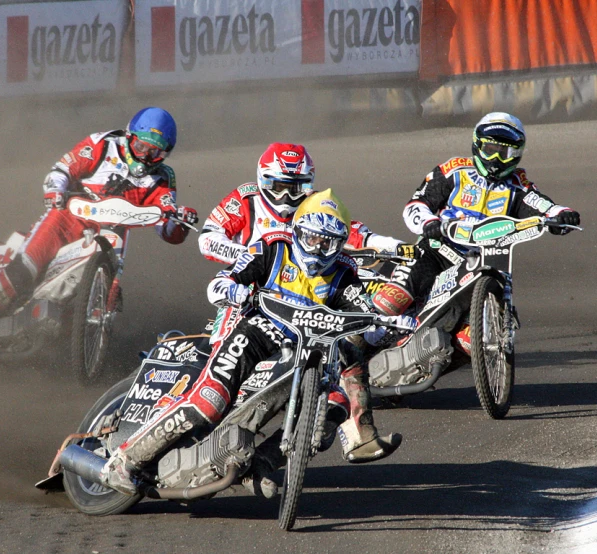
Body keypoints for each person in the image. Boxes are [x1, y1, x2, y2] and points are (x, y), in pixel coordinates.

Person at [102, 189, 403, 498]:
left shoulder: (344, 271)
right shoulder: (272, 247)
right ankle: (126, 460)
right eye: (313, 238)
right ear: (298, 230)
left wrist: (387, 321)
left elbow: (363, 308)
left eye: (329, 242)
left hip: (306, 348)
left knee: (335, 405)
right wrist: (232, 291)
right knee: (209, 400)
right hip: (256, 335)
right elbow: (222, 282)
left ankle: (260, 464)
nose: (319, 248)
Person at [0, 107, 198, 348]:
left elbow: (166, 225)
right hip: (66, 218)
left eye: (156, 152)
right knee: (23, 271)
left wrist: (179, 222)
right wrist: (55, 190)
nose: (146, 157)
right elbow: (63, 168)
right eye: (141, 146)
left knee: (78, 303)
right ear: (130, 137)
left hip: (112, 232)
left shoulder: (163, 178)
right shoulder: (102, 144)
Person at [372, 112, 581, 319]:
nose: (496, 158)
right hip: (438, 249)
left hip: (485, 261)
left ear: (517, 154)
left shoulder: (518, 185)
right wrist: (429, 223)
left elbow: (542, 205)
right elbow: (416, 204)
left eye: (504, 152)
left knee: (468, 344)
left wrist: (562, 215)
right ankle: (358, 338)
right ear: (477, 145)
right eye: (490, 149)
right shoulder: (454, 171)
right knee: (390, 302)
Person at [199, 142, 416, 266]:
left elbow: (358, 235)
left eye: (295, 188)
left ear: (308, 184)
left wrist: (401, 248)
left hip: (307, 293)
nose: (286, 196)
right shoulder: (246, 198)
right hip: (250, 289)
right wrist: (246, 256)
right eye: (278, 187)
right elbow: (208, 238)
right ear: (262, 179)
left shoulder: (316, 203)